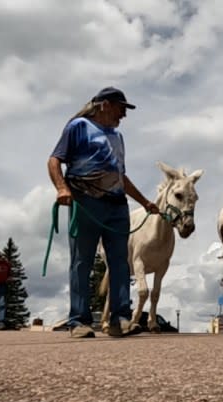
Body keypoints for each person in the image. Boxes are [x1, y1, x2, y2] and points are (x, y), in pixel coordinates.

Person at [47, 87, 159, 338]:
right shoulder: (78, 127)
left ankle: (120, 319)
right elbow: (54, 160)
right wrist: (62, 188)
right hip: (86, 201)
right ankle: (79, 321)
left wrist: (145, 201)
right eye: (122, 108)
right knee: (81, 261)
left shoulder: (118, 137)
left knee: (121, 262)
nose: (124, 115)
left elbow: (120, 175)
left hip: (117, 205)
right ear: (105, 105)